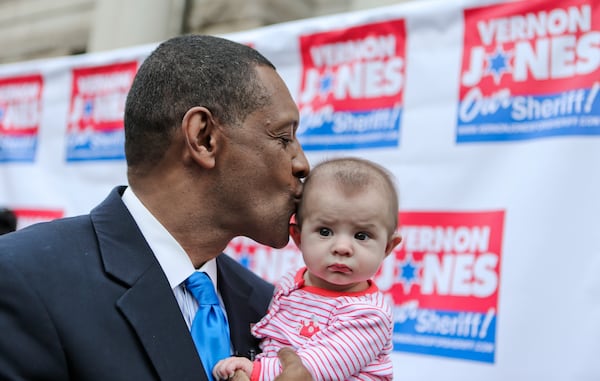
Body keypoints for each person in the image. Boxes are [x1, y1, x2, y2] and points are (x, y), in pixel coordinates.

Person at [0, 34, 312, 381]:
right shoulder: (24, 276)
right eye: (284, 138)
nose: (302, 164)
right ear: (203, 137)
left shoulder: (268, 307)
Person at [214, 157, 403, 381]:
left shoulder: (368, 315)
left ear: (387, 247)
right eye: (325, 231)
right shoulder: (290, 284)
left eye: (361, 236)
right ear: (298, 236)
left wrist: (254, 370)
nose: (342, 248)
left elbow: (314, 368)